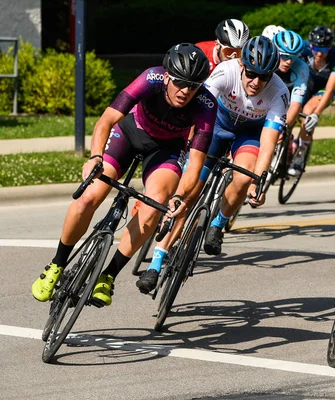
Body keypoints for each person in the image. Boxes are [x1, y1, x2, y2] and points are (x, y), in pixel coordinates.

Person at [31, 43, 217, 306]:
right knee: (89, 196)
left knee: (154, 207)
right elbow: (106, 120)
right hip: (129, 134)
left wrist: (178, 197)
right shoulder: (150, 78)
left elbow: (196, 164)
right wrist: (95, 156)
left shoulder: (206, 105)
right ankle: (56, 264)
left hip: (166, 150)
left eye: (194, 85)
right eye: (180, 82)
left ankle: (107, 276)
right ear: (167, 76)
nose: (186, 91)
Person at [136, 21, 250, 293]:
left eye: (240, 53)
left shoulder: (248, 69)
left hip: (225, 127)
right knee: (187, 187)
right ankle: (159, 254)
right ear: (218, 46)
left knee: (203, 188)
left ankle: (212, 222)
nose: (235, 58)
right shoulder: (199, 58)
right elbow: (182, 106)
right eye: (230, 52)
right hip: (200, 126)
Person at [199, 36, 289, 258]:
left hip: (249, 134)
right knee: (193, 181)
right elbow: (201, 112)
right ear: (241, 65)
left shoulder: (279, 92)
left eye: (264, 77)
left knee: (243, 177)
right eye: (251, 74)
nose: (256, 82)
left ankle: (218, 225)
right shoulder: (225, 70)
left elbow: (268, 141)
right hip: (218, 124)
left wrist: (259, 181)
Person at [287, 26, 335, 177]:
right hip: (307, 84)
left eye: (325, 50)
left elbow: (330, 88)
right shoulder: (303, 48)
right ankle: (286, 144)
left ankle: (300, 157)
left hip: (325, 89)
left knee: (307, 114)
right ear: (310, 44)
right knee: (291, 112)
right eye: (316, 48)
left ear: (330, 48)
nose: (320, 53)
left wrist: (317, 114)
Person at [272, 30, 310, 132]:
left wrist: (282, 128)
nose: (289, 62)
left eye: (293, 57)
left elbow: (295, 104)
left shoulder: (302, 68)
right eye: (285, 56)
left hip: (289, 97)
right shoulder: (266, 60)